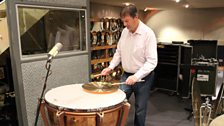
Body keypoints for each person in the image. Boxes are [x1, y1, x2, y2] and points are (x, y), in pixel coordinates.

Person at [101, 4, 158, 126]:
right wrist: (110, 67)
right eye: (123, 21)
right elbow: (119, 52)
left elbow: (152, 61)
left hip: (143, 78)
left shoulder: (148, 34)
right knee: (118, 103)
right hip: (126, 75)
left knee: (140, 109)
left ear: (136, 17)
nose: (125, 24)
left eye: (127, 21)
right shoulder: (124, 32)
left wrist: (136, 77)